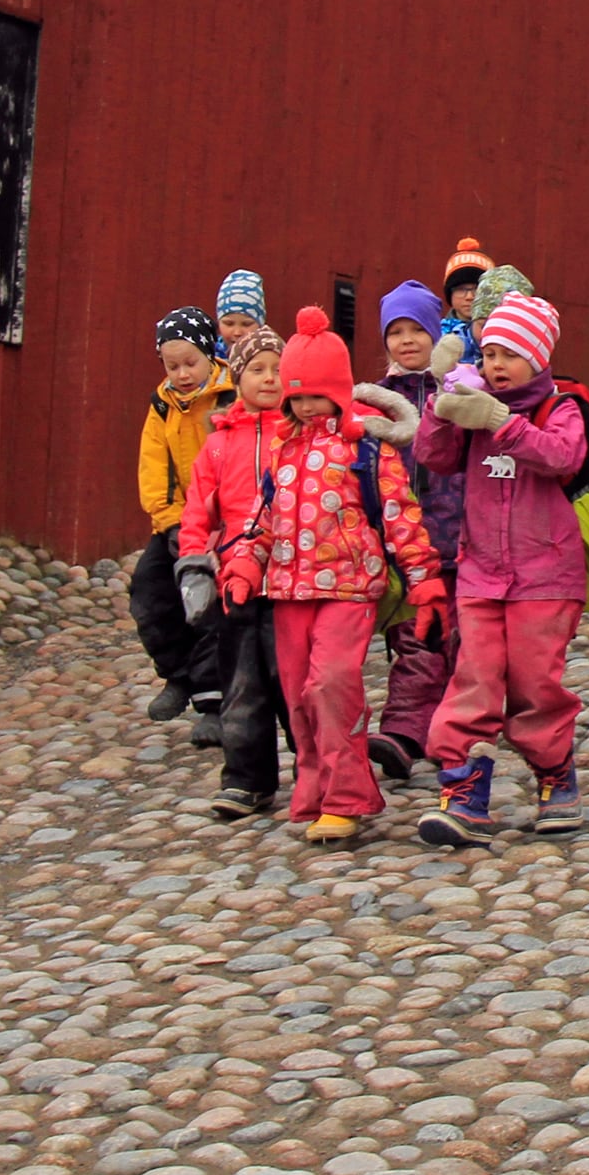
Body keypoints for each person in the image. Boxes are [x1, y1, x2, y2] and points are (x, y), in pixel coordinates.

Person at [209, 307, 440, 844]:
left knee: (331, 685)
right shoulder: (283, 452)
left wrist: (424, 580)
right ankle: (313, 788)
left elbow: (401, 516)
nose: (306, 406)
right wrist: (244, 564)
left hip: (349, 588)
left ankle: (346, 795)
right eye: (297, 397)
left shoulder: (366, 448)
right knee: (298, 694)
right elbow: (262, 521)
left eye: (316, 395)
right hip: (289, 592)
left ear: (337, 391)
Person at [414, 293, 589, 841]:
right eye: (490, 353)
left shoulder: (561, 407)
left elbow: (562, 456)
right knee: (474, 678)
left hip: (547, 577)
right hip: (480, 573)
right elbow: (433, 456)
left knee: (535, 684)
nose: (496, 365)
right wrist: (441, 406)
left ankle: (555, 773)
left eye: (509, 355)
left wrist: (502, 422)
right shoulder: (473, 404)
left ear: (537, 359)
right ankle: (464, 791)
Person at [177, 324, 292, 821]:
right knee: (242, 687)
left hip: (291, 581)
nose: (269, 379)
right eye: (257, 369)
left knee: (293, 686)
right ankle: (247, 780)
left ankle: (316, 770)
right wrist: (193, 566)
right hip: (233, 583)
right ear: (237, 378)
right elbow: (197, 511)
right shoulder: (219, 445)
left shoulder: (299, 434)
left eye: (278, 370)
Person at [367, 279, 461, 781]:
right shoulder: (376, 402)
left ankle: (452, 734)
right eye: (395, 332)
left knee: (463, 644)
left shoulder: (457, 389)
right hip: (407, 544)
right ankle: (403, 734)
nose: (406, 341)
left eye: (416, 330)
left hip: (461, 540)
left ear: (434, 332)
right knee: (416, 638)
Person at [130, 307, 234, 737]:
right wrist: (170, 521)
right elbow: (153, 466)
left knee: (209, 606)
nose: (182, 374)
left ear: (209, 355)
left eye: (190, 363)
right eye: (172, 366)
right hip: (175, 520)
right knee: (150, 593)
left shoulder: (229, 398)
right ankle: (177, 674)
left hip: (222, 522)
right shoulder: (163, 405)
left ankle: (214, 701)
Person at [439, 239, 496, 344]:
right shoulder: (437, 335)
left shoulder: (502, 332)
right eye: (461, 289)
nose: (469, 297)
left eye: (477, 289)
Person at [215, 270, 267, 356]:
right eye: (229, 324)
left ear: (260, 325)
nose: (237, 332)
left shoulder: (269, 357)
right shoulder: (207, 357)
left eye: (246, 324)